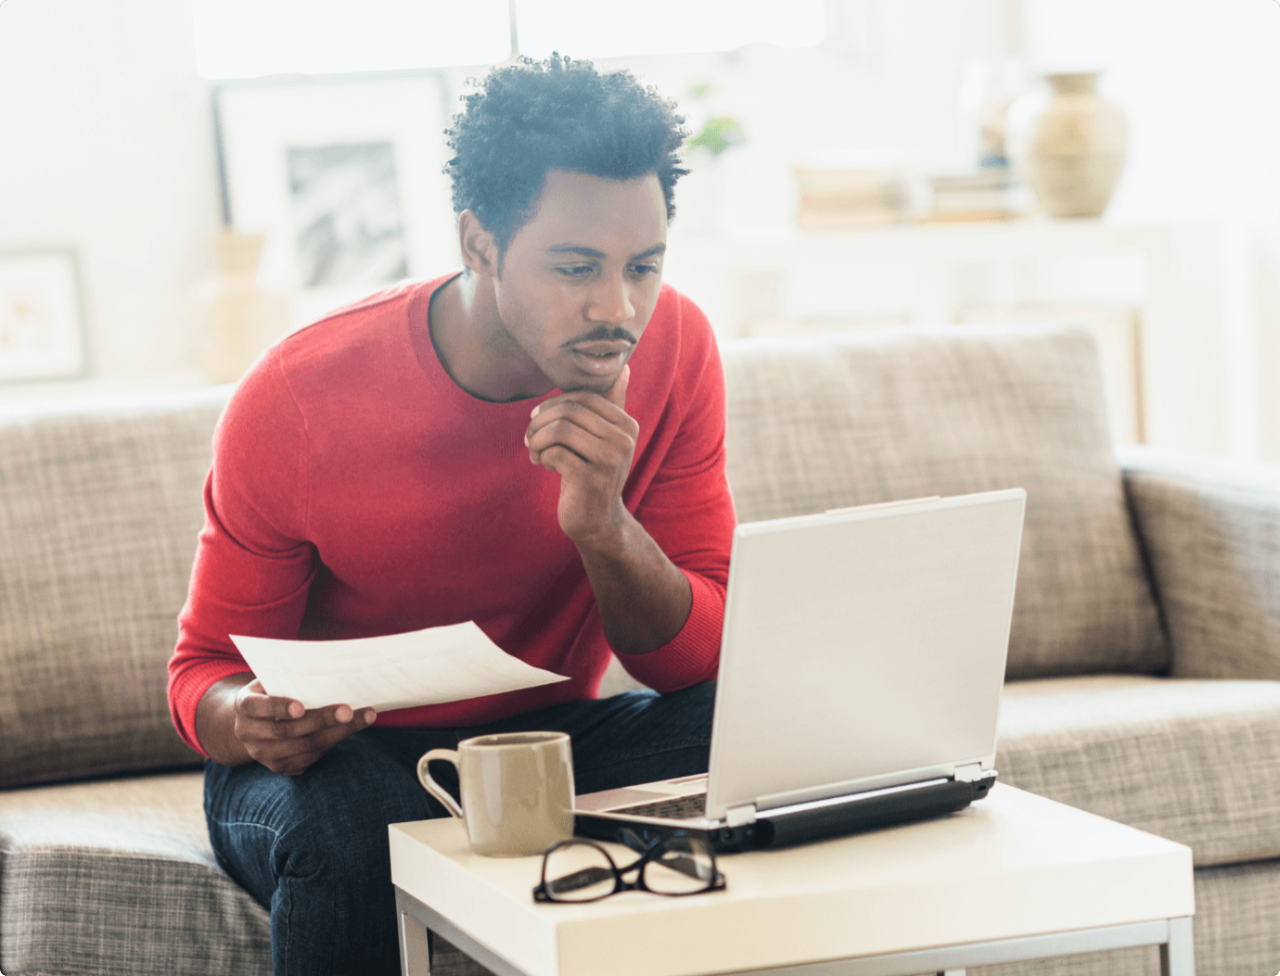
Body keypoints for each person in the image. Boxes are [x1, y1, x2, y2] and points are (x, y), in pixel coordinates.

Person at [167, 54, 735, 974]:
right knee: (355, 821)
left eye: (644, 266)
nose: (617, 307)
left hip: (539, 751)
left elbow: (691, 664)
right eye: (576, 267)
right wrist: (254, 721)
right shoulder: (297, 396)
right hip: (335, 763)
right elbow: (202, 675)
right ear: (478, 243)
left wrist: (603, 527)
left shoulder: (679, 348)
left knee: (750, 727)